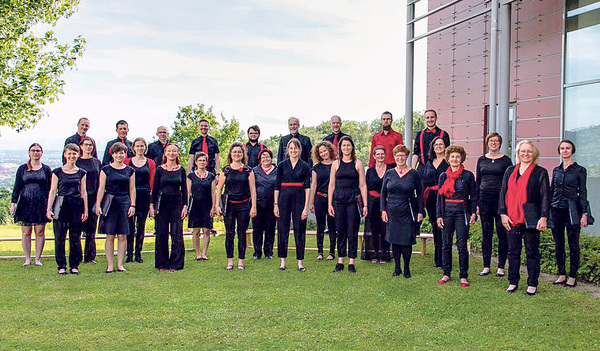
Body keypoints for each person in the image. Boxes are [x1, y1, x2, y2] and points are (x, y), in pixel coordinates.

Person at [499, 140, 550, 295]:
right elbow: (502, 193)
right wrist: (503, 214)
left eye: (529, 151)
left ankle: (532, 283)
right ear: (518, 153)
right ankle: (513, 281)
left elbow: (545, 196)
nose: (526, 154)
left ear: (534, 154)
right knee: (513, 251)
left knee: (532, 252)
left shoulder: (540, 172)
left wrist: (543, 217)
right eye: (523, 151)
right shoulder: (509, 171)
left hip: (531, 218)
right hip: (512, 217)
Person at [437, 145, 478, 287]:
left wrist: (473, 213)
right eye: (452, 156)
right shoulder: (443, 176)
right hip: (447, 213)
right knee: (445, 244)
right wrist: (439, 215)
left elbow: (474, 196)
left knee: (461, 245)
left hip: (461, 213)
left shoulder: (467, 176)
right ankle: (446, 273)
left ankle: (463, 276)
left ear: (461, 159)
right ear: (448, 159)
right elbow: (439, 198)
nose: (454, 159)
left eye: (457, 157)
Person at [550, 140, 589, 288]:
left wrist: (584, 213)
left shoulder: (580, 170)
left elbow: (583, 193)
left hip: (572, 210)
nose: (565, 150)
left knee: (573, 244)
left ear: (572, 150)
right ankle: (561, 274)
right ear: (559, 151)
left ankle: (572, 276)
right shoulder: (556, 170)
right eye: (562, 148)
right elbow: (551, 190)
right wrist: (546, 210)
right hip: (556, 209)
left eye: (567, 148)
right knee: (558, 243)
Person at [381, 145, 424, 278]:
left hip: (407, 210)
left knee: (406, 241)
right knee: (394, 240)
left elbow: (421, 194)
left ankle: (406, 268)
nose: (400, 158)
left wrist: (420, 211)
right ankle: (397, 268)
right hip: (392, 211)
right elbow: (383, 193)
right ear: (394, 157)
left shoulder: (414, 173)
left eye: (402, 155)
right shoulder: (389, 173)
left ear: (406, 157)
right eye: (397, 155)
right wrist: (383, 210)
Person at [328, 136, 368, 273]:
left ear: (352, 147)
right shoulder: (335, 164)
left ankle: (351, 261)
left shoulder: (358, 163)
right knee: (340, 231)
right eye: (343, 146)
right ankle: (340, 261)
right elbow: (331, 185)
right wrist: (330, 204)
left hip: (352, 202)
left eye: (348, 145)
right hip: (338, 202)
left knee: (352, 231)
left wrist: (365, 205)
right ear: (340, 148)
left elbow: (363, 185)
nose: (346, 148)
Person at [215, 143, 257, 270]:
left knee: (242, 233)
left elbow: (253, 189)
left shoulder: (248, 170)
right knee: (229, 234)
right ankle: (230, 261)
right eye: (234, 152)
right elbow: (219, 189)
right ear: (230, 154)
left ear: (243, 154)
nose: (237, 154)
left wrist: (253, 206)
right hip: (229, 206)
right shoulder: (225, 170)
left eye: (239, 152)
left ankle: (240, 261)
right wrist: (217, 205)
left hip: (244, 206)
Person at [47, 144, 87, 275]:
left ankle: (74, 265)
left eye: (74, 154)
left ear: (78, 155)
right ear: (65, 155)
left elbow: (83, 192)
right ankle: (61, 266)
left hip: (76, 205)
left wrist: (85, 210)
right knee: (60, 237)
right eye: (69, 154)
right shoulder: (57, 172)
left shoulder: (82, 173)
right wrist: (49, 209)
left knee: (75, 237)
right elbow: (53, 191)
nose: (72, 156)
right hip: (61, 205)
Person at [476, 133, 512, 277]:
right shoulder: (481, 160)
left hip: (501, 201)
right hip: (485, 200)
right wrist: (477, 203)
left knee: (502, 233)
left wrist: (507, 203)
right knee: (487, 233)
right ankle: (486, 266)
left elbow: (509, 182)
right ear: (487, 142)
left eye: (496, 141)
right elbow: (478, 181)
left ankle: (501, 266)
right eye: (491, 140)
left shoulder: (506, 161)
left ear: (500, 143)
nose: (494, 143)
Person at [10, 143, 52, 267]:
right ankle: (27, 258)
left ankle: (38, 258)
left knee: (40, 232)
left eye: (38, 150)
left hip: (41, 203)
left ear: (42, 153)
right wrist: (13, 203)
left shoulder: (46, 169)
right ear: (29, 152)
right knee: (26, 232)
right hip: (25, 203)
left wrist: (49, 206)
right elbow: (17, 187)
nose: (36, 153)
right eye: (33, 150)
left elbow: (50, 189)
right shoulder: (22, 169)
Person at [96, 142, 136, 273]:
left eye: (122, 152)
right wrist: (98, 205)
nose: (120, 155)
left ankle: (120, 264)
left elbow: (132, 189)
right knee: (110, 235)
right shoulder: (105, 169)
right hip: (110, 202)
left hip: (124, 202)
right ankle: (110, 265)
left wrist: (132, 205)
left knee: (122, 235)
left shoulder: (130, 170)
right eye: (117, 152)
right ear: (112, 154)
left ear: (125, 154)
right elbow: (101, 188)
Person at [274, 138, 311, 272]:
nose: (293, 150)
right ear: (287, 150)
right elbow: (276, 186)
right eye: (291, 148)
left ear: (300, 150)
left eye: (296, 148)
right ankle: (282, 262)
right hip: (283, 199)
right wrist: (276, 204)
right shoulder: (282, 165)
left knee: (299, 229)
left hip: (299, 199)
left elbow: (307, 187)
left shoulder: (305, 166)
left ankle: (300, 262)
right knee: (282, 229)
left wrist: (305, 207)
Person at [150, 143, 188, 272]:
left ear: (177, 154)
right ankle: (162, 263)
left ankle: (176, 263)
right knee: (161, 234)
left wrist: (185, 206)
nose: (172, 153)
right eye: (169, 151)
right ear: (165, 153)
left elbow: (185, 190)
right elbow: (154, 189)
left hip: (177, 204)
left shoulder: (181, 170)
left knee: (177, 234)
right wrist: (151, 205)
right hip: (162, 205)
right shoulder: (160, 169)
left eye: (174, 151)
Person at [124, 138, 156, 263]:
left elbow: (152, 183)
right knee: (129, 227)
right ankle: (129, 255)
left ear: (145, 148)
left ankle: (138, 254)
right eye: (137, 146)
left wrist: (151, 202)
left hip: (144, 196)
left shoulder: (150, 163)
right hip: (130, 196)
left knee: (141, 226)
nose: (140, 148)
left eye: (142, 146)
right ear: (133, 148)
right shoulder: (127, 162)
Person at [421, 137, 449, 268]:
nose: (438, 146)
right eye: (436, 144)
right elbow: (424, 181)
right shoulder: (429, 163)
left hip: (445, 196)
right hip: (431, 197)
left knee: (444, 227)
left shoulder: (449, 162)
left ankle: (445, 259)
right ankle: (438, 259)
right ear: (432, 147)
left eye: (441, 144)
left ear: (445, 146)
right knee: (435, 226)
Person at [308, 141, 337, 260]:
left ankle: (331, 252)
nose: (323, 153)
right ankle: (320, 251)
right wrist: (311, 202)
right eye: (321, 152)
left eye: (325, 150)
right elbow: (313, 185)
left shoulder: (336, 164)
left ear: (329, 150)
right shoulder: (316, 168)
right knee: (320, 226)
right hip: (320, 198)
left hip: (333, 199)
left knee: (332, 226)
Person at [362, 145, 390, 263]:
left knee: (385, 228)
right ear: (374, 156)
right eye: (377, 154)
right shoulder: (369, 171)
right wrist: (366, 205)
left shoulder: (390, 170)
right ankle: (374, 253)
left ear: (385, 155)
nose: (380, 156)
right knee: (373, 228)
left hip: (386, 202)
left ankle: (384, 253)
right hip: (372, 202)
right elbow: (365, 187)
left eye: (382, 154)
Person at [187, 152, 216, 261]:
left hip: (207, 205)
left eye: (204, 160)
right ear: (196, 162)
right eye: (200, 160)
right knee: (196, 231)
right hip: (195, 205)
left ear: (206, 162)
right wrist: (185, 206)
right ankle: (198, 253)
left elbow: (213, 193)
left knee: (207, 230)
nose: (202, 162)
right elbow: (188, 192)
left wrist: (213, 207)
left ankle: (204, 253)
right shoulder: (191, 176)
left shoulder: (211, 176)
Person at [77, 137, 102, 264]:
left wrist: (99, 201)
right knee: (76, 228)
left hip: (93, 198)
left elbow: (100, 183)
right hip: (78, 198)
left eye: (90, 145)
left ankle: (90, 256)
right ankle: (76, 255)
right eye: (86, 145)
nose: (88, 147)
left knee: (91, 229)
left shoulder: (97, 162)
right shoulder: (76, 161)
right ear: (81, 146)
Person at [252, 149, 278, 260]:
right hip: (258, 204)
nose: (265, 159)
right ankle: (257, 252)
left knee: (270, 229)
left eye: (267, 156)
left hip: (272, 204)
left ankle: (268, 252)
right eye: (263, 157)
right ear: (260, 159)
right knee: (257, 229)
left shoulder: (277, 170)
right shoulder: (254, 171)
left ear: (271, 158)